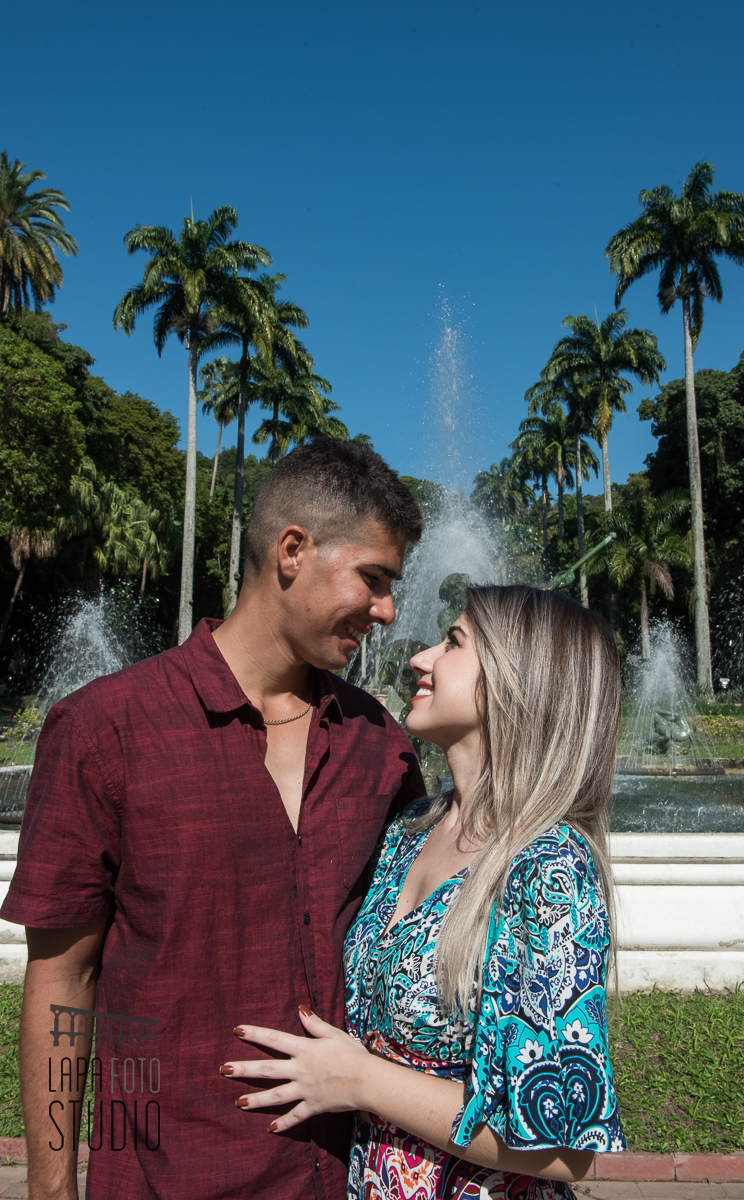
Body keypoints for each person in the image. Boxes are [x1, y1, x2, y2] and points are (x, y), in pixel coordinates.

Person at [1, 440, 426, 1200]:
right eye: (373, 578)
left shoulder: (379, 744)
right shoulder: (106, 729)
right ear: (292, 551)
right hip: (165, 1177)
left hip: (343, 1178)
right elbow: (64, 976)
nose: (389, 611)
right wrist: (53, 1188)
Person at [222, 585, 626, 1199]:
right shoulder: (412, 830)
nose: (420, 657)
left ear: (519, 682)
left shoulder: (548, 867)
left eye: (454, 642)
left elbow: (562, 1149)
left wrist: (359, 1080)